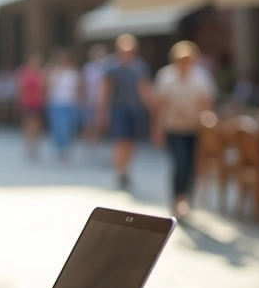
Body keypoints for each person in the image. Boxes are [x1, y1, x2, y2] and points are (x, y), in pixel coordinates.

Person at [152, 41, 216, 218]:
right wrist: (157, 130)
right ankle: (176, 197)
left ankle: (186, 198)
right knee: (180, 163)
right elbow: (159, 106)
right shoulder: (165, 76)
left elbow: (207, 103)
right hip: (172, 127)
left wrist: (207, 118)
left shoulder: (201, 77)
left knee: (192, 166)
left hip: (194, 128)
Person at [99, 34, 153, 190]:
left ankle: (126, 169)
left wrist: (152, 107)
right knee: (120, 141)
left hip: (135, 109)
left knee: (131, 142)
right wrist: (102, 111)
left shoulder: (140, 67)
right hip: (118, 109)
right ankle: (120, 171)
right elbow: (105, 90)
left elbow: (144, 88)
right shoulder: (112, 66)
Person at [46, 50, 81, 162]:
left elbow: (78, 88)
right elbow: (48, 86)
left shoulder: (73, 73)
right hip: (57, 103)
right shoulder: (54, 72)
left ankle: (67, 148)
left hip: (70, 103)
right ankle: (59, 149)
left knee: (69, 127)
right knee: (59, 127)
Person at [16, 52, 47, 161]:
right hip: (27, 102)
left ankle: (36, 146)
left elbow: (45, 88)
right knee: (28, 124)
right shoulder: (24, 72)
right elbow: (20, 88)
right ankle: (29, 145)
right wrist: (20, 101)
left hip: (39, 102)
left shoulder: (42, 73)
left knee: (37, 125)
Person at [80, 44, 109, 155]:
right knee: (88, 123)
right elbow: (83, 84)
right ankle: (87, 143)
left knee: (99, 124)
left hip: (102, 102)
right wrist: (83, 98)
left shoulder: (106, 67)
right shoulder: (88, 68)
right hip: (90, 100)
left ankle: (95, 144)